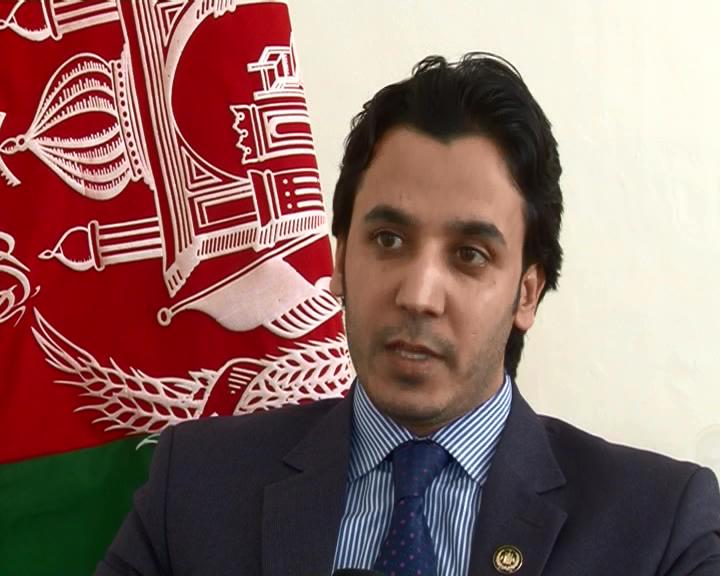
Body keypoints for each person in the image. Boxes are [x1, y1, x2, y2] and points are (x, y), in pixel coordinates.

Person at [96, 53, 720, 576]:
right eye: (389, 240)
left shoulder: (660, 526)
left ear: (527, 294)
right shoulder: (194, 487)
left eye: (470, 255)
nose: (418, 294)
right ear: (341, 262)